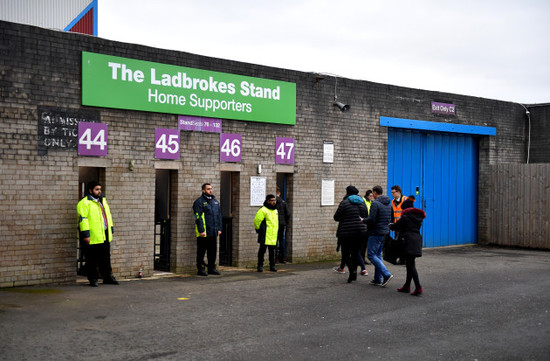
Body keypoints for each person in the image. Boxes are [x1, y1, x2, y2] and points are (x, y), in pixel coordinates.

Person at [77, 181, 119, 287]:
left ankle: (108, 277)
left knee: (105, 258)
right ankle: (93, 279)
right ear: (90, 190)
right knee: (91, 259)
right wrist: (86, 235)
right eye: (97, 189)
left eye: (100, 189)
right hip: (93, 235)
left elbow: (108, 215)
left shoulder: (103, 201)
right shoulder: (84, 203)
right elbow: (83, 220)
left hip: (104, 234)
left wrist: (111, 229)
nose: (99, 191)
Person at [333, 185, 369, 283]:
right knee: (356, 252)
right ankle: (355, 271)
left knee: (345, 253)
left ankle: (352, 271)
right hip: (361, 233)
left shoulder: (344, 203)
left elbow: (336, 217)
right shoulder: (362, 203)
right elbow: (366, 216)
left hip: (346, 233)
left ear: (347, 192)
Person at [390, 206, 426, 296]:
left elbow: (396, 226)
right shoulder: (418, 218)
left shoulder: (405, 217)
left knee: (411, 265)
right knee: (410, 264)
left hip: (408, 241)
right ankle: (407, 286)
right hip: (416, 240)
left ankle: (418, 287)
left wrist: (390, 225)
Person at [363, 185, 394, 287]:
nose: (372, 195)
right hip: (384, 233)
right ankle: (377, 279)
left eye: (373, 193)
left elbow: (371, 220)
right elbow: (390, 219)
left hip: (375, 233)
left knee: (371, 255)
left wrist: (363, 220)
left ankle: (386, 274)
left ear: (375, 193)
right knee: (377, 255)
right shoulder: (389, 204)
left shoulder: (375, 204)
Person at [193, 183, 222, 276]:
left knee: (212, 251)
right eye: (208, 189)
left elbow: (219, 216)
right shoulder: (198, 202)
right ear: (203, 190)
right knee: (201, 251)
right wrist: (201, 230)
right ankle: (200, 269)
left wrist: (219, 228)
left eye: (211, 188)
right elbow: (197, 217)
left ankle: (211, 268)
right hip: (204, 232)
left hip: (213, 231)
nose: (210, 190)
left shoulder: (215, 202)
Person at [254, 194, 279, 272]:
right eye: (272, 200)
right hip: (265, 233)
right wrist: (259, 229)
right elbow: (257, 221)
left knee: (272, 252)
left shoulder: (275, 210)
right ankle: (260, 266)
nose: (274, 202)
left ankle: (272, 266)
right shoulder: (263, 210)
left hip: (273, 234)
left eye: (275, 200)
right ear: (268, 201)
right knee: (262, 250)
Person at [275, 186, 291, 264]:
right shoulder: (284, 203)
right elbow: (288, 214)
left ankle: (276, 258)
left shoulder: (273, 203)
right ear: (279, 193)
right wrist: (285, 221)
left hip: (275, 224)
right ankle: (283, 258)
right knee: (282, 240)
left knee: (275, 241)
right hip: (282, 224)